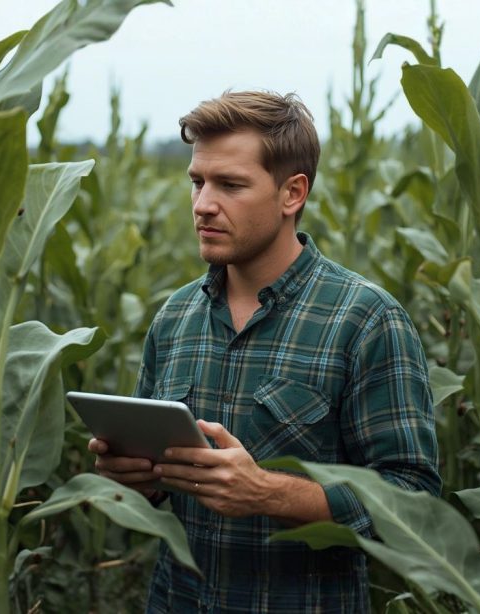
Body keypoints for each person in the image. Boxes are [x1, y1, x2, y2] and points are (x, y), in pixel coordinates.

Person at [88, 90, 440, 613]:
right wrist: (135, 478)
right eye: (197, 182)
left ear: (291, 193)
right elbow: (156, 487)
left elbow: (415, 502)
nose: (204, 203)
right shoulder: (175, 318)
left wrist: (268, 494)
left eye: (230, 184)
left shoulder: (365, 320)